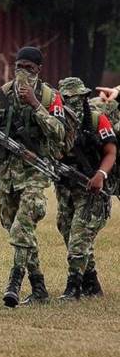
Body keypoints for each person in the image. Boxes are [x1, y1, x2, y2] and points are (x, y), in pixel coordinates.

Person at [0, 46, 65, 308]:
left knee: (22, 229)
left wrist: (34, 103)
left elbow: (59, 132)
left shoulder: (48, 96)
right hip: (6, 173)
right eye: (20, 67)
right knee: (16, 229)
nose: (24, 73)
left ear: (39, 70)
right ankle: (40, 288)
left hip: (35, 173)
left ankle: (14, 283)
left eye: (29, 69)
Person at [55, 77, 116, 299]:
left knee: (79, 237)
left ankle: (74, 287)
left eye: (80, 97)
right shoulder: (55, 120)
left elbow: (110, 151)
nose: (75, 102)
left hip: (93, 188)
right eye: (69, 98)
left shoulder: (96, 118)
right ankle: (92, 283)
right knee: (66, 230)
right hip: (66, 187)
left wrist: (100, 175)